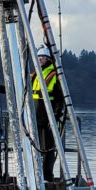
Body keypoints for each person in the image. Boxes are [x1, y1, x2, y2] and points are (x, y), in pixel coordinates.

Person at [31, 46, 64, 180]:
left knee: (48, 148)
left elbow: (60, 98)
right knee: (35, 148)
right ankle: (36, 174)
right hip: (35, 118)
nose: (40, 60)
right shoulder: (34, 75)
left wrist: (56, 115)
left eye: (42, 58)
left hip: (48, 118)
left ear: (48, 59)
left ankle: (47, 175)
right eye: (38, 58)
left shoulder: (54, 75)